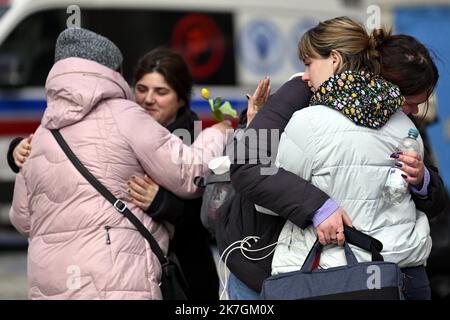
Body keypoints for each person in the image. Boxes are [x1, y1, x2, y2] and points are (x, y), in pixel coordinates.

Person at [225, 17, 445, 300]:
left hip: (372, 265)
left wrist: (423, 180)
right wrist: (319, 206)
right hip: (269, 256)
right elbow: (248, 161)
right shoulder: (301, 94)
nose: (412, 111)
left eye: (308, 63)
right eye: (409, 101)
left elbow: (423, 195)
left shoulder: (397, 120)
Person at [8, 28, 229, 300]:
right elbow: (190, 173)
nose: (149, 98)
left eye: (161, 91)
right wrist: (216, 135)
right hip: (116, 280)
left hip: (50, 284)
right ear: (111, 72)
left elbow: (21, 219)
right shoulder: (128, 117)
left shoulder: (42, 133)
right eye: (143, 89)